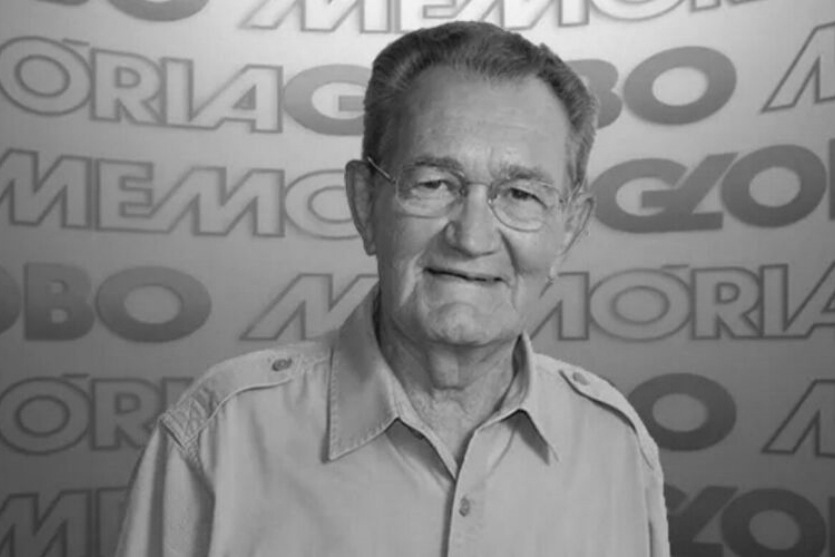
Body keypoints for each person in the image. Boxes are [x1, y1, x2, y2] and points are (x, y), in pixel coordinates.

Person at [115, 21, 670, 557]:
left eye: (521, 194)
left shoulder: (616, 447)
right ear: (365, 204)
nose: (472, 237)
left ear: (568, 229)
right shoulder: (221, 439)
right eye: (434, 183)